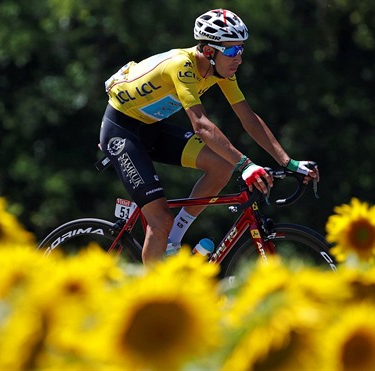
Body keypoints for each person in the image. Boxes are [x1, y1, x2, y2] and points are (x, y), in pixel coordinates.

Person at [100, 9, 319, 264]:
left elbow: (247, 117)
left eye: (241, 49)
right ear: (208, 51)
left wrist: (288, 162)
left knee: (221, 167)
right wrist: (246, 165)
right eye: (231, 51)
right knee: (160, 220)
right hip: (122, 131)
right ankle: (151, 294)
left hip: (151, 126)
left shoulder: (221, 71)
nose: (238, 58)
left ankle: (174, 238)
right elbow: (201, 126)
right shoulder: (182, 65)